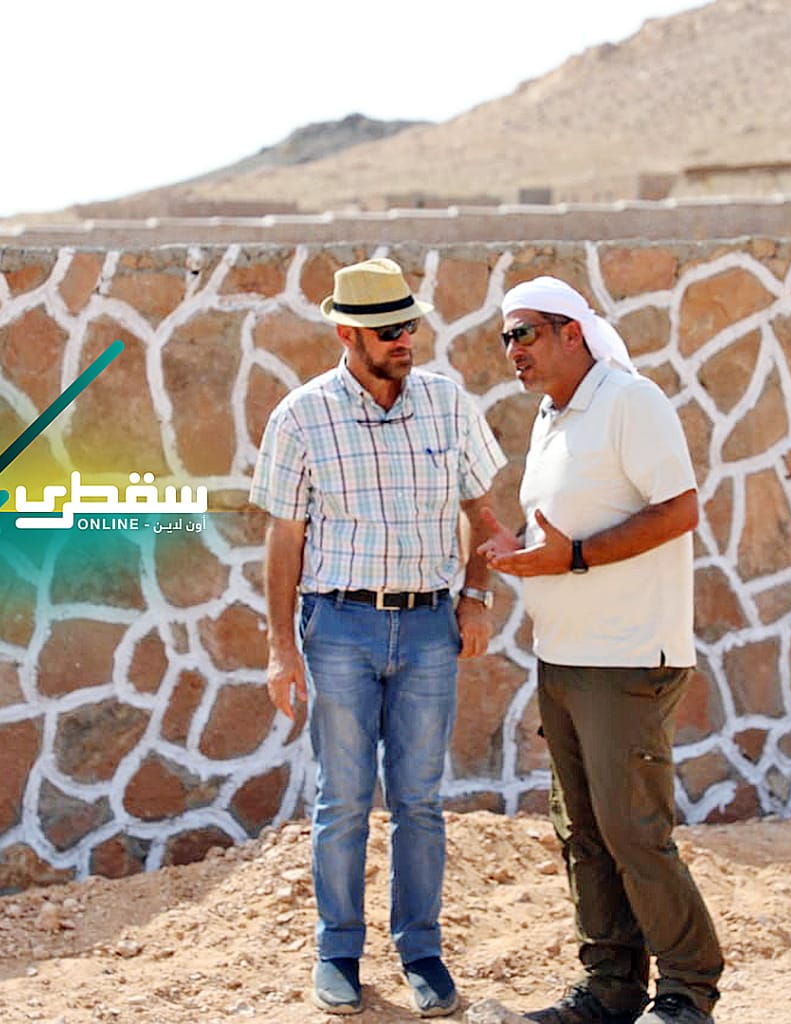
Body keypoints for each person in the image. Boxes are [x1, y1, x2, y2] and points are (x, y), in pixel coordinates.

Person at [249, 257, 506, 1017]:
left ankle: (421, 952)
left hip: (429, 626)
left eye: (410, 325)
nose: (405, 340)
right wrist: (281, 647)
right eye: (389, 330)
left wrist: (476, 597)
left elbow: (483, 512)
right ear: (348, 335)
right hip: (338, 627)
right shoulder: (301, 416)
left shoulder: (448, 404)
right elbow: (284, 538)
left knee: (420, 800)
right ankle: (338, 953)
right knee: (344, 800)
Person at [479, 277, 723, 1024]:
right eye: (505, 337)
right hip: (562, 657)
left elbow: (680, 509)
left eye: (525, 332)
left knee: (632, 833)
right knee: (582, 833)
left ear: (572, 332)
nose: (513, 350)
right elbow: (565, 529)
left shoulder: (630, 401)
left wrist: (576, 557)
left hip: (627, 656)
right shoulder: (550, 418)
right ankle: (611, 988)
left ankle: (687, 991)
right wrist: (525, 556)